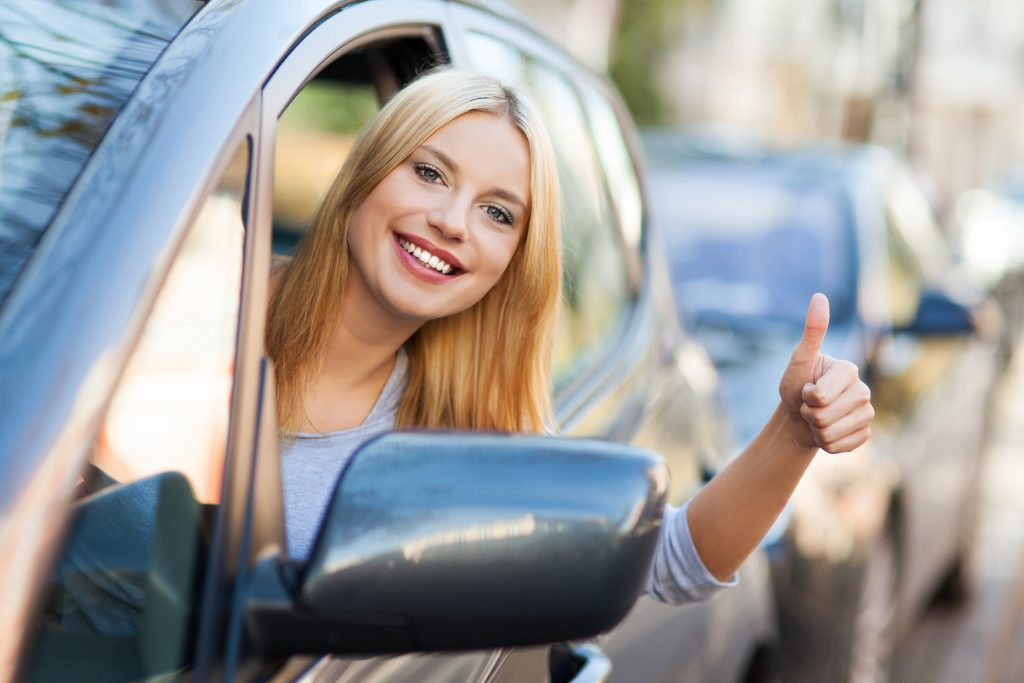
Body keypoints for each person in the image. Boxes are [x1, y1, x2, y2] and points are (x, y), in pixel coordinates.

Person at [266, 68, 874, 603]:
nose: (452, 222)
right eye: (429, 172)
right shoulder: (203, 299)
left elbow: (671, 565)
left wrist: (793, 432)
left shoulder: (462, 432)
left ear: (512, 263)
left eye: (498, 212)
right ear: (366, 173)